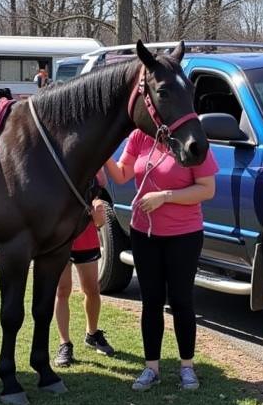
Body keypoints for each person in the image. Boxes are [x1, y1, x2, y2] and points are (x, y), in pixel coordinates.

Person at [106, 130, 217, 390]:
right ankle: (151, 368)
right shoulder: (139, 137)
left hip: (184, 235)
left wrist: (164, 197)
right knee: (151, 302)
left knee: (181, 301)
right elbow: (122, 174)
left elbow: (207, 189)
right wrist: (103, 154)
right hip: (143, 233)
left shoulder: (192, 139)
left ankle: (187, 368)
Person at [54, 197, 115, 367]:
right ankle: (64, 344)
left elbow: (99, 191)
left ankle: (92, 334)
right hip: (58, 238)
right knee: (62, 290)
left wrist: (99, 210)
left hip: (85, 236)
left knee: (92, 290)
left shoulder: (93, 172)